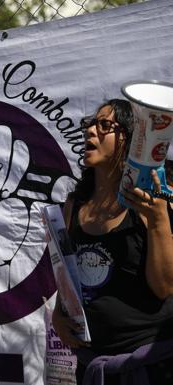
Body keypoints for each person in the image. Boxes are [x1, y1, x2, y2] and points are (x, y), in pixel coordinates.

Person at [52, 99, 173, 384]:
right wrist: (59, 314)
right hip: (94, 365)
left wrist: (158, 220)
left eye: (104, 125)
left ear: (131, 138)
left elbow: (164, 287)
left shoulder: (154, 200)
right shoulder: (75, 204)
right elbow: (70, 274)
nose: (90, 131)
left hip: (151, 365)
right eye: (89, 124)